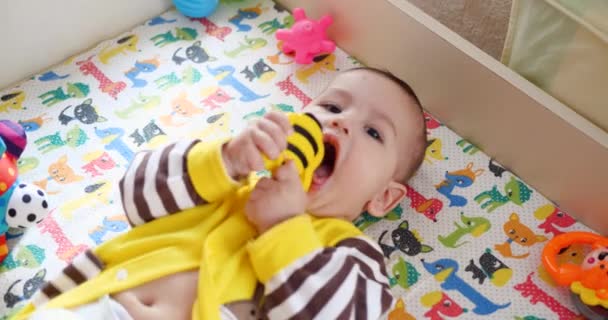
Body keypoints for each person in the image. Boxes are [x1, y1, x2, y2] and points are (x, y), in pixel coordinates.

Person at [20, 67, 427, 320]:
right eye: (333, 108)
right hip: (92, 306)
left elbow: (343, 315)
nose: (342, 124)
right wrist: (226, 159)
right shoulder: (227, 177)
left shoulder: (350, 252)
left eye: (374, 133)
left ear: (383, 199)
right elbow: (134, 194)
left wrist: (284, 226)